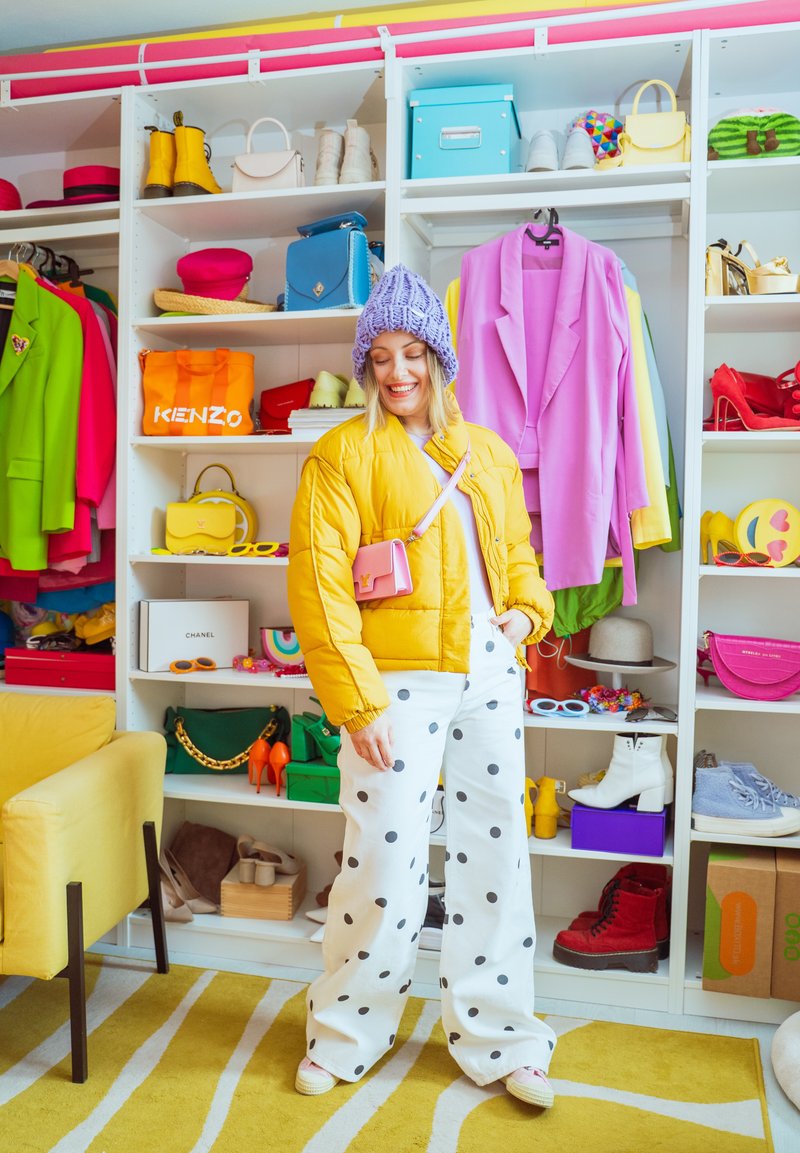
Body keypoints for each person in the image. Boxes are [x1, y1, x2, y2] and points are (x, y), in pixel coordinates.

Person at [287, 264, 557, 1108]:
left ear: (440, 358)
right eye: (382, 358)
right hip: (394, 684)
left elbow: (517, 556)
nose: (399, 373)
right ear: (366, 366)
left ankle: (504, 1037)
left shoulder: (487, 452)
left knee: (497, 857)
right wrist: (356, 703)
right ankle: (346, 1032)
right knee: (383, 862)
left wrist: (525, 615)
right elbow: (318, 587)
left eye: (414, 354)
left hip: (488, 673)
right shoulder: (341, 454)